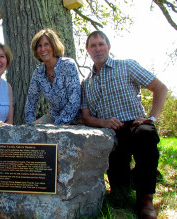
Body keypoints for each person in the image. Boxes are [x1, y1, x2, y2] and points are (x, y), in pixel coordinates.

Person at [81, 30, 168, 219]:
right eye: (93, 45)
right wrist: (104, 122)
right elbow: (86, 118)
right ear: (87, 50)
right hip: (112, 134)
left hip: (136, 126)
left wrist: (151, 118)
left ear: (109, 46)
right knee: (120, 188)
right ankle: (133, 177)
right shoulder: (86, 83)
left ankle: (145, 200)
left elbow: (160, 88)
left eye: (101, 44)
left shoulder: (127, 66)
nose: (98, 49)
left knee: (146, 135)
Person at [25, 28, 81, 125]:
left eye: (46, 44)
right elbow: (31, 101)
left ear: (54, 45)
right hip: (54, 116)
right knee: (31, 133)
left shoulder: (68, 65)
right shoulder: (38, 72)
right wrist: (30, 126)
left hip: (76, 116)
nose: (43, 49)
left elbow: (74, 99)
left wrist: (59, 125)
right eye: (39, 46)